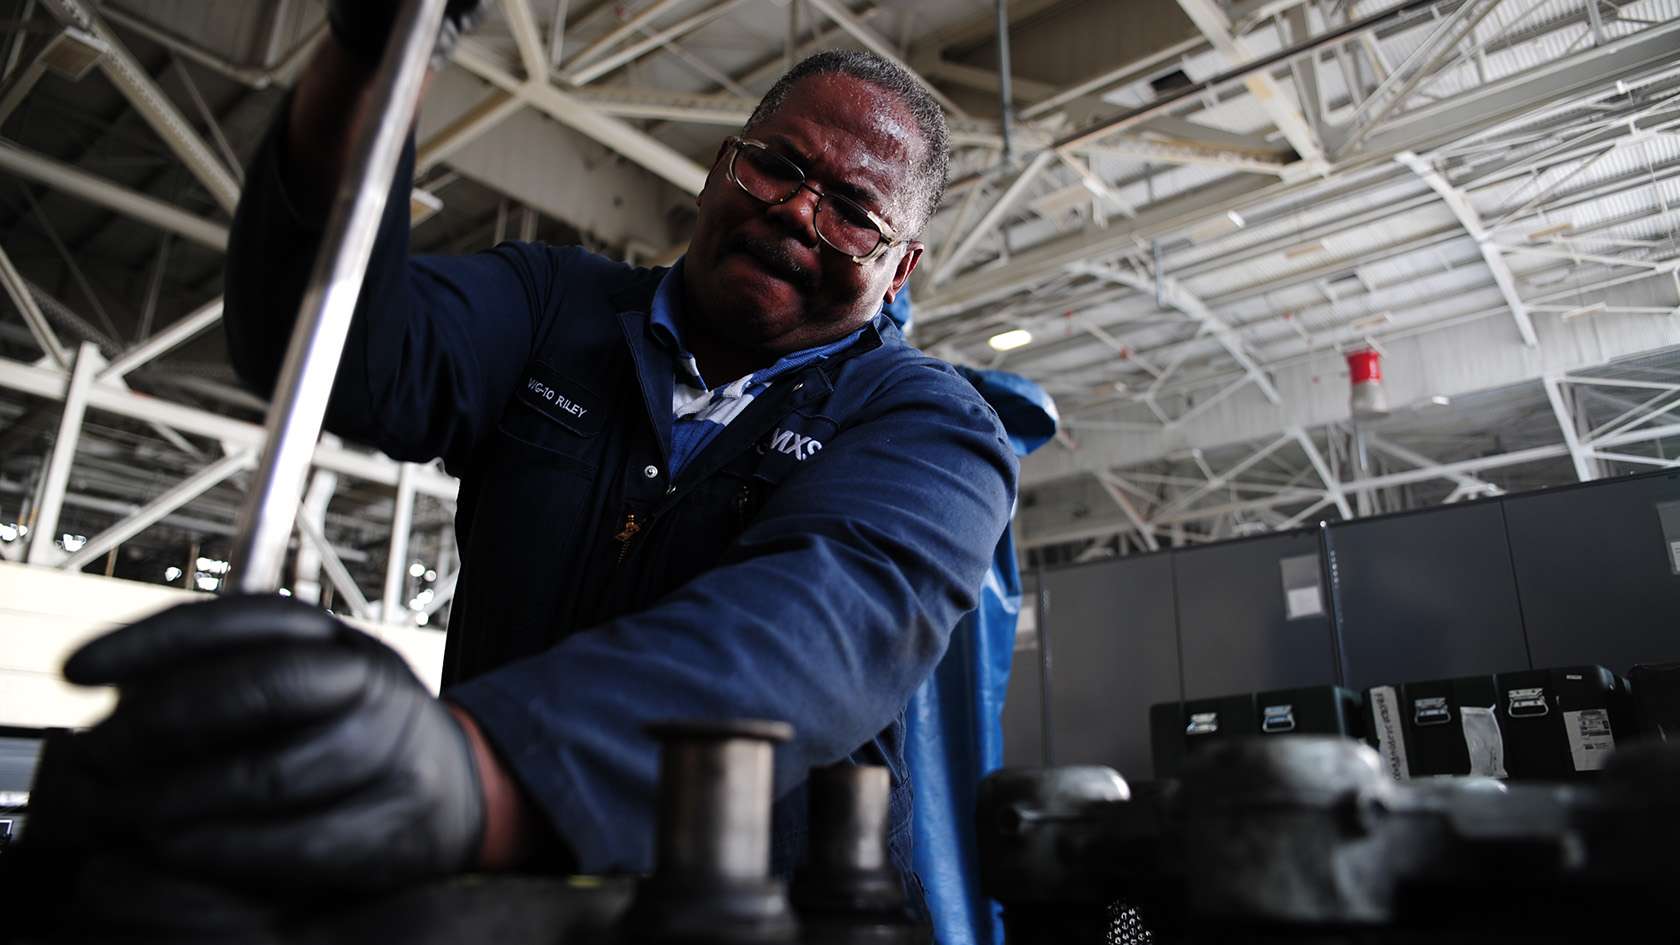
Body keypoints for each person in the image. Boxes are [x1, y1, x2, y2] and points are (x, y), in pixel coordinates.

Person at [54, 0, 1017, 907]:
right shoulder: (553, 308)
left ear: (902, 267)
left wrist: (465, 772)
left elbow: (805, 634)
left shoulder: (933, 429)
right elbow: (324, 345)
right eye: (776, 166)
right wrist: (368, 52)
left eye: (855, 210)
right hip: (494, 909)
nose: (799, 213)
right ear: (721, 167)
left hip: (769, 915)